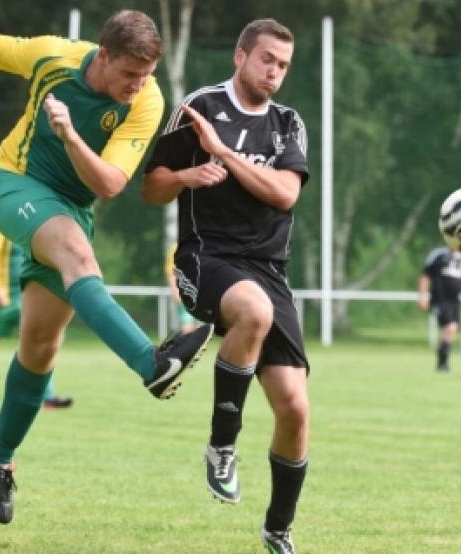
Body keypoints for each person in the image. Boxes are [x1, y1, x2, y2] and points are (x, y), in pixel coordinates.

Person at [0, 9, 214, 525]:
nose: (138, 87)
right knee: (78, 256)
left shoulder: (149, 98)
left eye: (145, 76)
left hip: (72, 209)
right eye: (129, 75)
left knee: (40, 349)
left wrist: (71, 137)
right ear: (103, 54)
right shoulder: (55, 56)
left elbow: (110, 185)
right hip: (14, 186)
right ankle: (152, 365)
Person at [142, 19, 310, 554]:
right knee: (253, 313)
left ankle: (278, 529)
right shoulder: (199, 107)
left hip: (269, 270)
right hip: (205, 257)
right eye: (266, 59)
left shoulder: (288, 124)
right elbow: (151, 189)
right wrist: (188, 175)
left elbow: (285, 195)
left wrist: (226, 156)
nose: (274, 72)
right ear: (240, 56)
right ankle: (221, 446)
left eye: (283, 65)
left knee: (295, 410)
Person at [0, 222, 72, 410]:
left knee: (40, 343)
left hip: (25, 299)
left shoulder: (33, 224)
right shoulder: (0, 224)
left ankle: (48, 397)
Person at [417, 245, 461, 372]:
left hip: (454, 302)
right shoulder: (438, 255)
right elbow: (425, 276)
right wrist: (422, 296)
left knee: (452, 330)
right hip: (439, 300)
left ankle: (442, 359)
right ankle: (443, 361)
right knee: (450, 327)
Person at [164, 243, 200, 335]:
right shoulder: (177, 248)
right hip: (184, 293)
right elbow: (171, 272)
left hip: (200, 294)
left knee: (199, 329)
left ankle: (194, 347)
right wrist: (175, 292)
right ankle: (188, 346)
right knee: (187, 326)